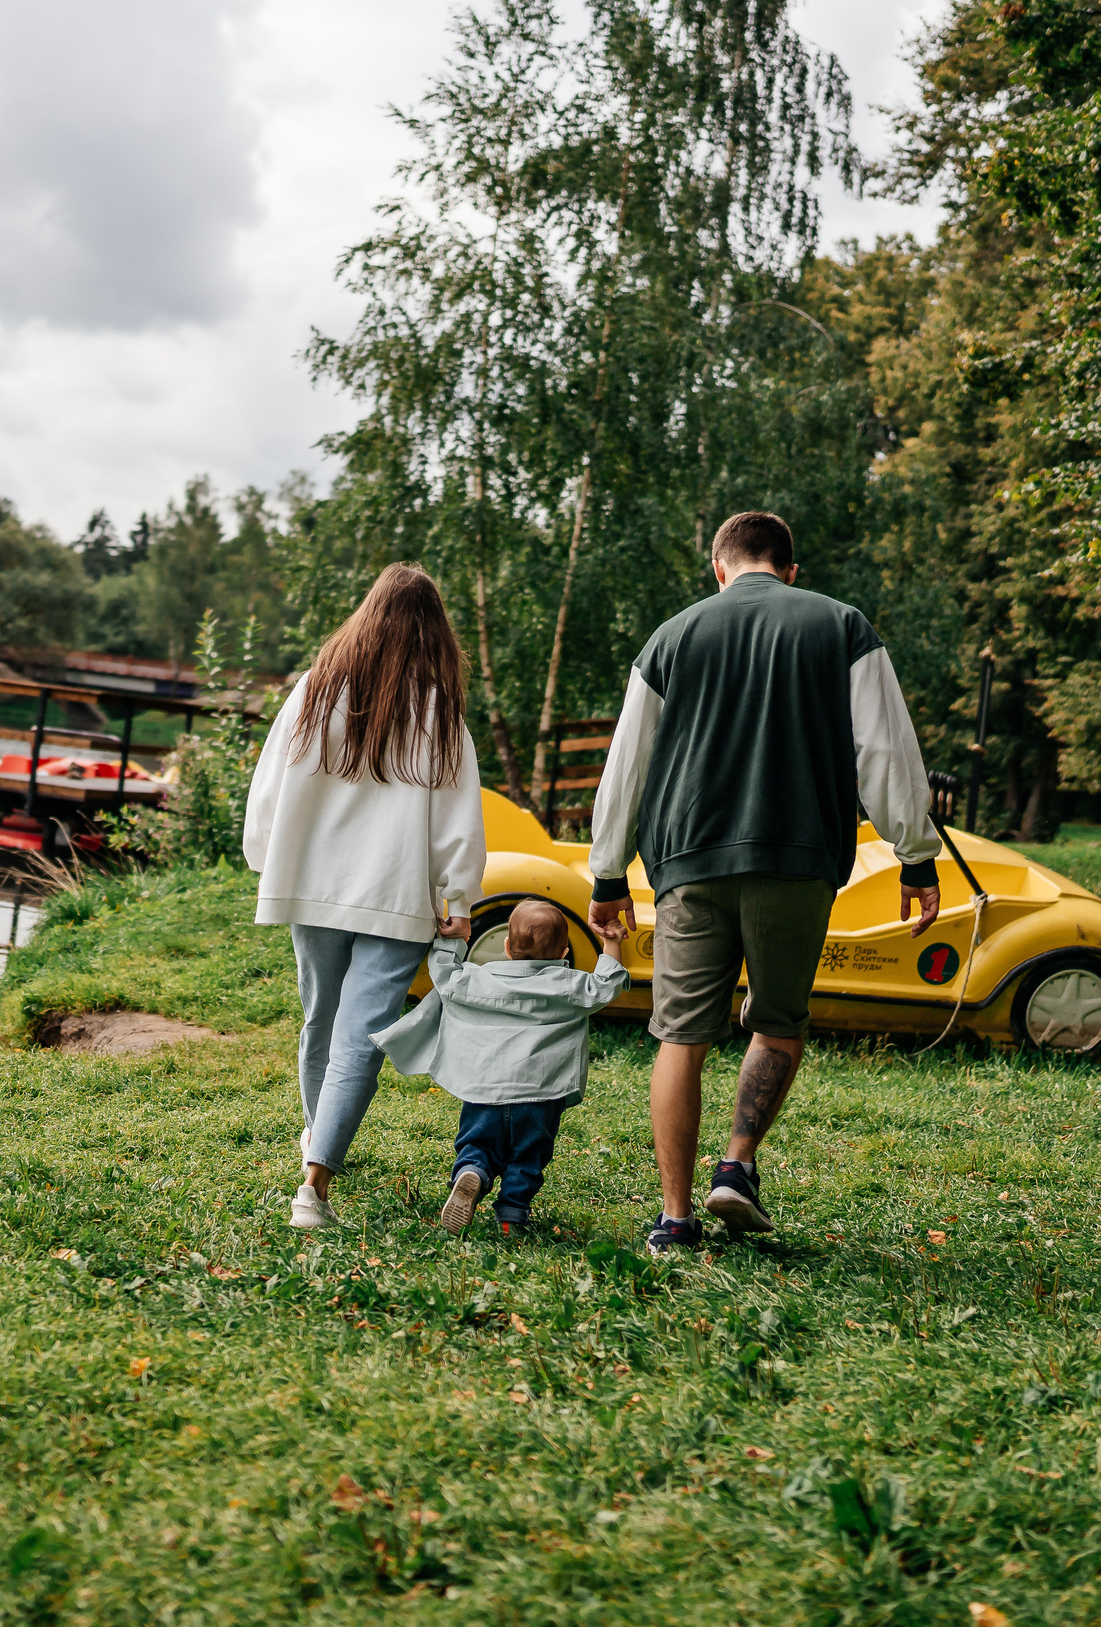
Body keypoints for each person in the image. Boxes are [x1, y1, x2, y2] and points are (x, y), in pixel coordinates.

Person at [585, 511, 943, 1255]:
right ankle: (737, 1164)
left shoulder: (672, 636)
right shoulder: (842, 626)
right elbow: (884, 748)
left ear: (719, 568)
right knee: (778, 1019)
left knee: (681, 1035)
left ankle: (674, 1218)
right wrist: (915, 854)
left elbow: (627, 764)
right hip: (796, 855)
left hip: (689, 862)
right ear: (791, 568)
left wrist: (607, 871)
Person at [243, 562, 487, 1230]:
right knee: (360, 1038)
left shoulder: (314, 692)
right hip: (395, 895)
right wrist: (458, 901)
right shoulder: (441, 715)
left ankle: (316, 1147)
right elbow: (459, 823)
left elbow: (269, 787)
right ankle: (313, 1186)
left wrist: (267, 860)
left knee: (321, 1020)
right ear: (433, 629)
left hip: (312, 887)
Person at [375, 898, 627, 1234]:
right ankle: (511, 1215)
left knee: (477, 1143)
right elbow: (607, 985)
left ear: (507, 947)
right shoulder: (569, 987)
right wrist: (611, 941)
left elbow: (444, 975)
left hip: (484, 1088)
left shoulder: (477, 980)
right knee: (528, 1157)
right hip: (541, 1094)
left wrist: (453, 939)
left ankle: (473, 1172)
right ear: (564, 951)